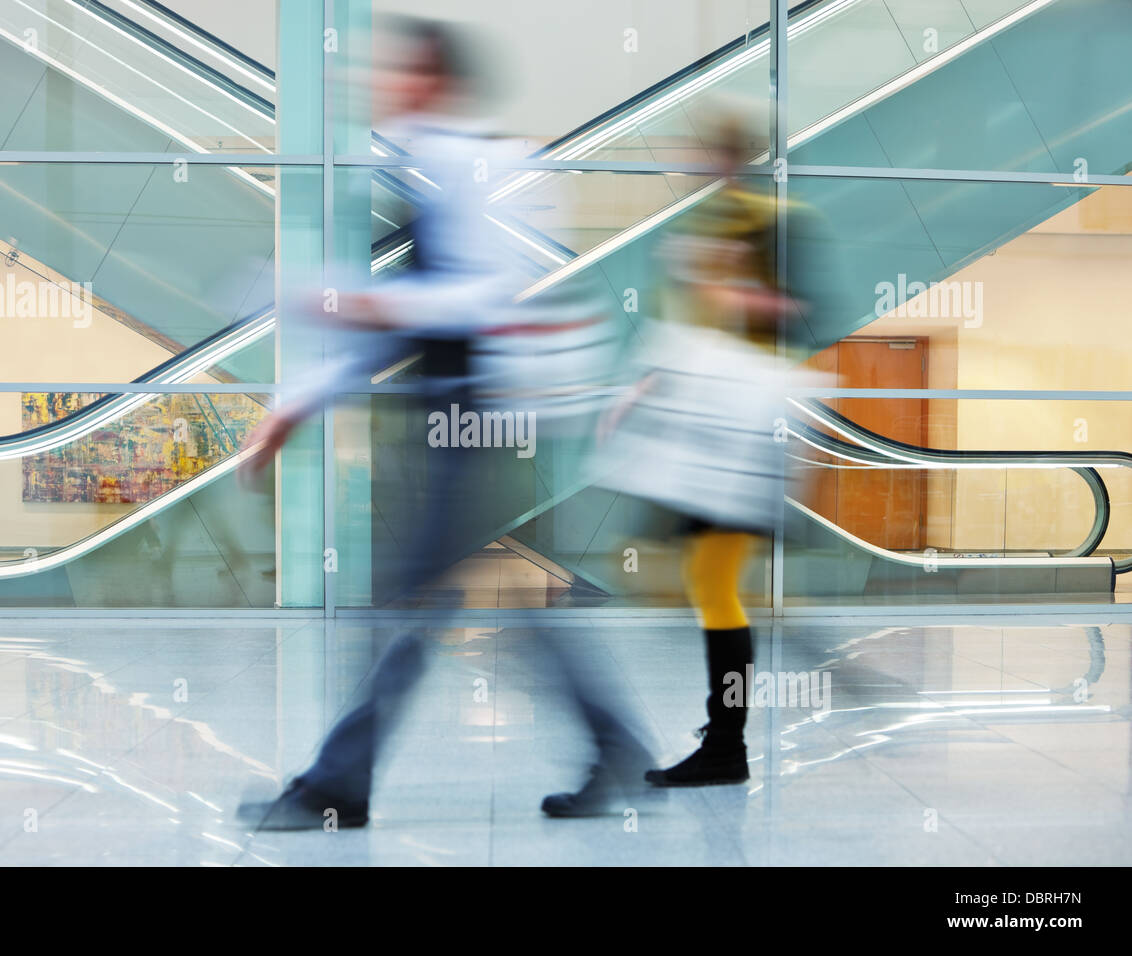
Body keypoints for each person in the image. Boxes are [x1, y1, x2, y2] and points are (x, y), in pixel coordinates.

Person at [237, 15, 653, 829]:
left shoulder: (485, 165)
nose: (385, 86)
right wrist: (297, 404)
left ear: (436, 81)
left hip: (482, 410)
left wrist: (356, 303)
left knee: (412, 599)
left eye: (403, 73)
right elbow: (399, 327)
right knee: (466, 600)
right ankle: (613, 745)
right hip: (456, 410)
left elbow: (484, 297)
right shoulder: (427, 167)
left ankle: (337, 786)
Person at [596, 108, 822, 788]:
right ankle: (727, 730)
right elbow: (688, 330)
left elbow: (801, 309)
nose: (687, 157)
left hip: (741, 427)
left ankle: (727, 744)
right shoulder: (705, 221)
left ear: (725, 153)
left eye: (696, 146)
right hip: (702, 424)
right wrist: (642, 387)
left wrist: (727, 288)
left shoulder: (775, 218)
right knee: (699, 580)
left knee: (714, 584)